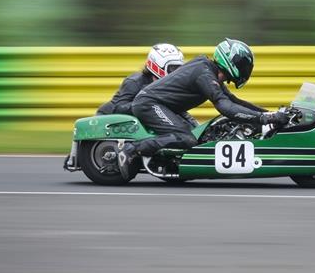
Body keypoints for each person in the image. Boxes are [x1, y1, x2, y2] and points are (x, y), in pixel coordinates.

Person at [116, 38, 291, 178]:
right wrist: (264, 119)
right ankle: (131, 150)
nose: (246, 69)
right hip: (149, 104)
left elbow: (233, 101)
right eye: (244, 65)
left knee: (196, 138)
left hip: (164, 106)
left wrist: (270, 113)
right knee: (186, 139)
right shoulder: (204, 73)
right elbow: (225, 107)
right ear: (232, 62)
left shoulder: (210, 72)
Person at [96, 43, 186, 117]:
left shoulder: (170, 86)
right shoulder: (134, 82)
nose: (176, 72)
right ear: (157, 65)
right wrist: (148, 102)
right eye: (173, 68)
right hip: (108, 119)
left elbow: (179, 110)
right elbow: (119, 108)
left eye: (179, 68)